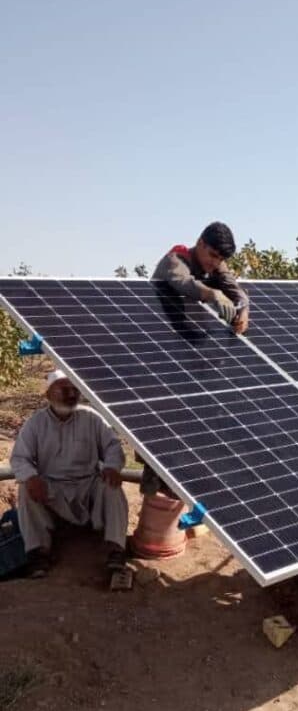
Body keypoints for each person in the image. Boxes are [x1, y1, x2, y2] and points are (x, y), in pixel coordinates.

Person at [10, 370, 129, 578]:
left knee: (112, 487)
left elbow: (112, 446)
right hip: (52, 486)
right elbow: (20, 458)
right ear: (48, 394)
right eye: (64, 389)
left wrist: (112, 466)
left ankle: (116, 550)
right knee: (25, 489)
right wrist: (30, 476)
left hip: (88, 484)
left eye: (75, 390)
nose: (71, 394)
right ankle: (38, 553)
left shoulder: (92, 418)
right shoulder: (35, 423)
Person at [152, 221, 250, 334]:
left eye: (221, 259)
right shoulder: (175, 260)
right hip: (159, 325)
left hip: (186, 330)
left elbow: (233, 286)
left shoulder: (216, 265)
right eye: (213, 255)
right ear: (200, 243)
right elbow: (184, 282)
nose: (216, 263)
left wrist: (244, 310)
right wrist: (213, 294)